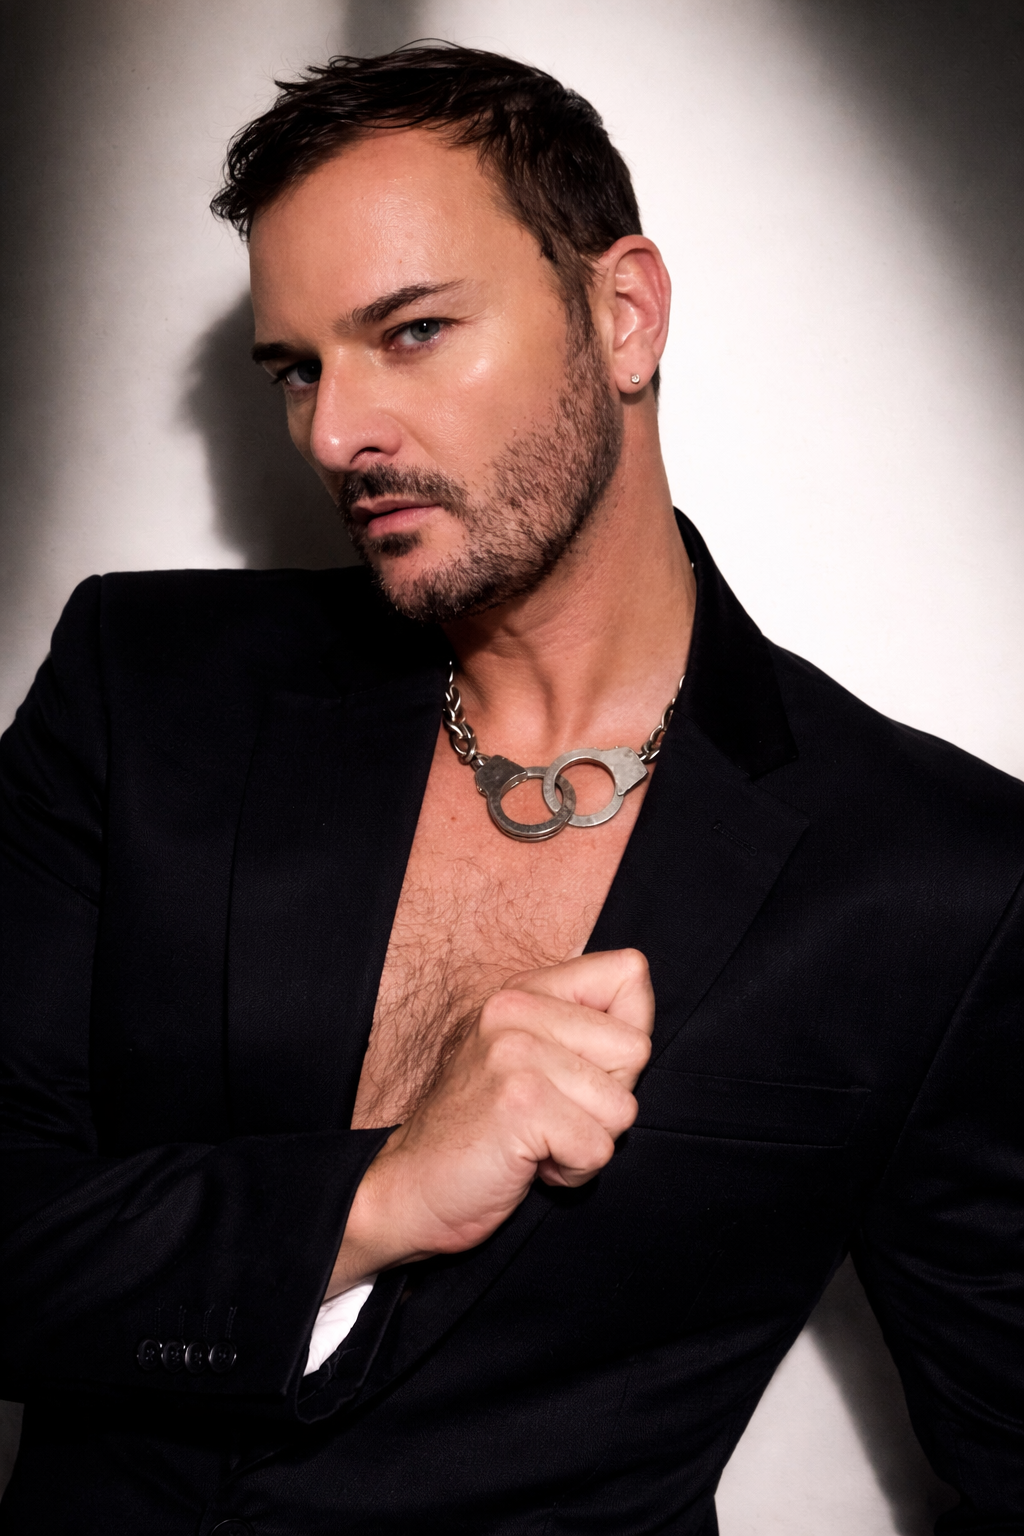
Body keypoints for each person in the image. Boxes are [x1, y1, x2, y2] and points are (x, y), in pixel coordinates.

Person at [0, 43, 1020, 1536]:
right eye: (297, 369)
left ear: (624, 314)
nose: (335, 434)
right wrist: (378, 1201)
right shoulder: (143, 688)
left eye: (411, 331)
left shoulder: (935, 876)